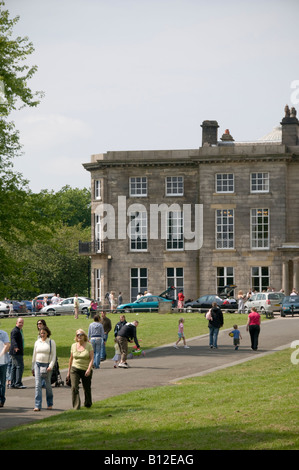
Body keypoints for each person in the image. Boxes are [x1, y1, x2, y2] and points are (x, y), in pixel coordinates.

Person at [66, 329, 94, 410]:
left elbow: (92, 358)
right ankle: (76, 406)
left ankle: (88, 403)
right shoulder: (73, 346)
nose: (79, 336)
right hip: (75, 369)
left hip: (86, 369)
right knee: (74, 387)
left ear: (84, 336)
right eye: (78, 335)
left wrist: (89, 369)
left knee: (87, 388)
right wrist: (68, 372)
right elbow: (71, 359)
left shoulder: (89, 345)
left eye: (81, 334)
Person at [32, 326, 56, 411]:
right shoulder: (37, 342)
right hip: (37, 364)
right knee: (38, 384)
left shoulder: (51, 342)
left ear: (47, 333)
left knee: (48, 385)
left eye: (44, 333)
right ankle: (37, 405)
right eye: (41, 333)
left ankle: (50, 403)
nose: (42, 335)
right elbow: (34, 355)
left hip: (47, 365)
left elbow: (53, 356)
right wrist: (33, 367)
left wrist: (50, 366)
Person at [9, 317, 26, 389]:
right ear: (16, 323)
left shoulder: (19, 330)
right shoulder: (15, 331)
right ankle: (18, 383)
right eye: (19, 322)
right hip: (16, 352)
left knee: (14, 367)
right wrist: (15, 347)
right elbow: (13, 339)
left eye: (22, 323)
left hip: (15, 352)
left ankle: (12, 383)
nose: (21, 324)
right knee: (19, 366)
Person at [0, 327, 10, 407]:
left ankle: (1, 400)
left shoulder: (3, 334)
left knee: (1, 383)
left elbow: (7, 345)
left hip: (2, 362)